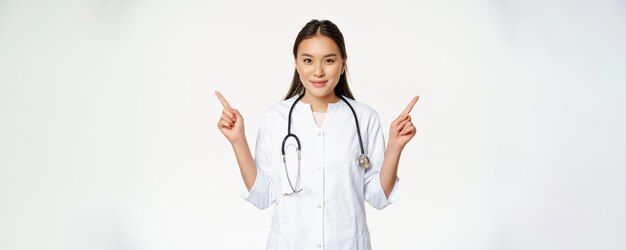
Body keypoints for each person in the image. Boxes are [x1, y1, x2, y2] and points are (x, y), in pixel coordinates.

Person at [215, 19, 418, 250]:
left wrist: (395, 146)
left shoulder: (364, 118)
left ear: (343, 64)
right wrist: (238, 140)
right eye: (308, 60)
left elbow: (378, 198)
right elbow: (263, 196)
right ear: (297, 64)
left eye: (329, 60)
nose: (318, 71)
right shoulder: (275, 118)